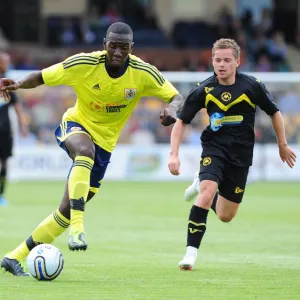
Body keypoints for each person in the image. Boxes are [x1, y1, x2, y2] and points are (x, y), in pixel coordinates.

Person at [0, 22, 183, 276]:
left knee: (65, 210)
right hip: (75, 126)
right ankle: (78, 228)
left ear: (132, 48)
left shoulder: (142, 72)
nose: (118, 52)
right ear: (104, 45)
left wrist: (172, 109)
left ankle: (14, 256)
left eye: (124, 47)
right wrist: (17, 84)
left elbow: (176, 96)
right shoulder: (83, 64)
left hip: (105, 145)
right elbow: (42, 76)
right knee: (84, 152)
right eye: (113, 46)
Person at [168, 38, 296, 271]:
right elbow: (181, 121)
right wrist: (173, 155)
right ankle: (190, 254)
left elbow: (274, 113)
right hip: (214, 149)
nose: (221, 64)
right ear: (213, 62)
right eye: (217, 60)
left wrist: (282, 144)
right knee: (207, 194)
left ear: (237, 61)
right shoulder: (204, 89)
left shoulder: (252, 86)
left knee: (226, 215)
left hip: (241, 155)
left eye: (227, 60)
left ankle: (200, 184)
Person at [0, 52, 27, 206]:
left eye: (8, 61)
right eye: (4, 61)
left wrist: (23, 125)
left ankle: (1, 194)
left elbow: (17, 107)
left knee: (4, 163)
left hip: (4, 130)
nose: (7, 63)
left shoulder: (8, 84)